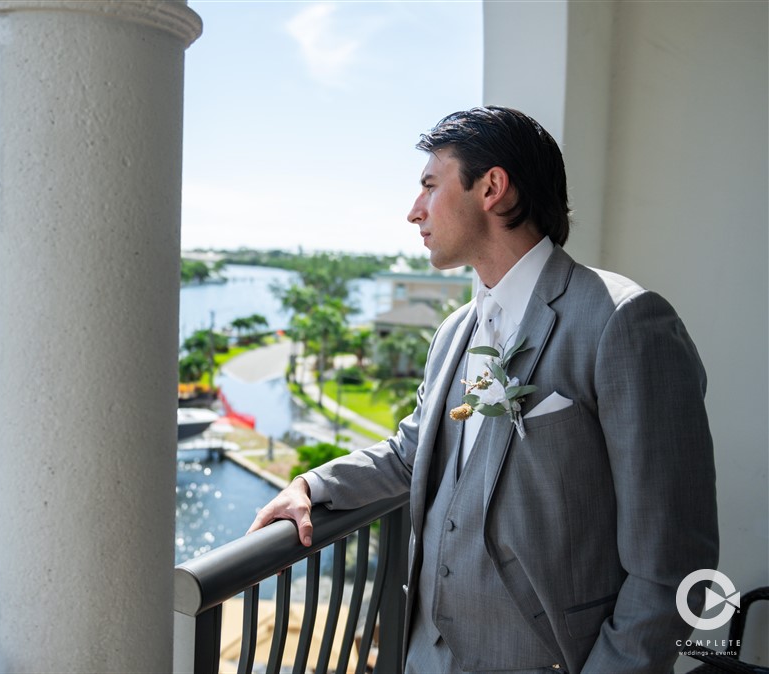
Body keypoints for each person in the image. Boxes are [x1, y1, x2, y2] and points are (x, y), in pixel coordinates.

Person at [248, 106, 718, 673]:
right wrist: (311, 484)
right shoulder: (454, 331)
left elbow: (673, 562)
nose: (413, 211)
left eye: (429, 185)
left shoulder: (625, 322)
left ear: (492, 187)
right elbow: (410, 453)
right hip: (425, 658)